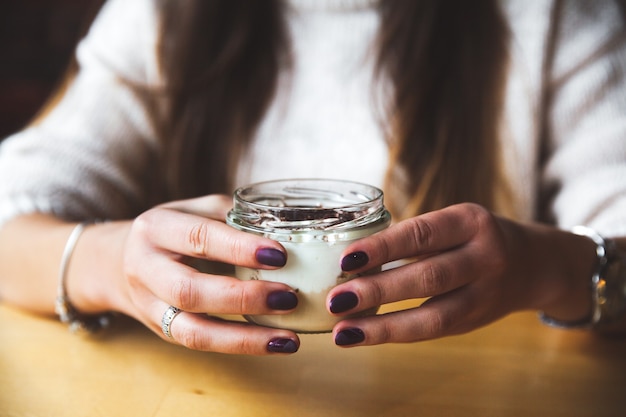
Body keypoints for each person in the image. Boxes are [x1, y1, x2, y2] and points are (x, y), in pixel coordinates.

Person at [0, 0, 625, 355]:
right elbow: (14, 204)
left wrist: (544, 266)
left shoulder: (550, 19)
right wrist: (115, 265)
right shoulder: (164, 15)